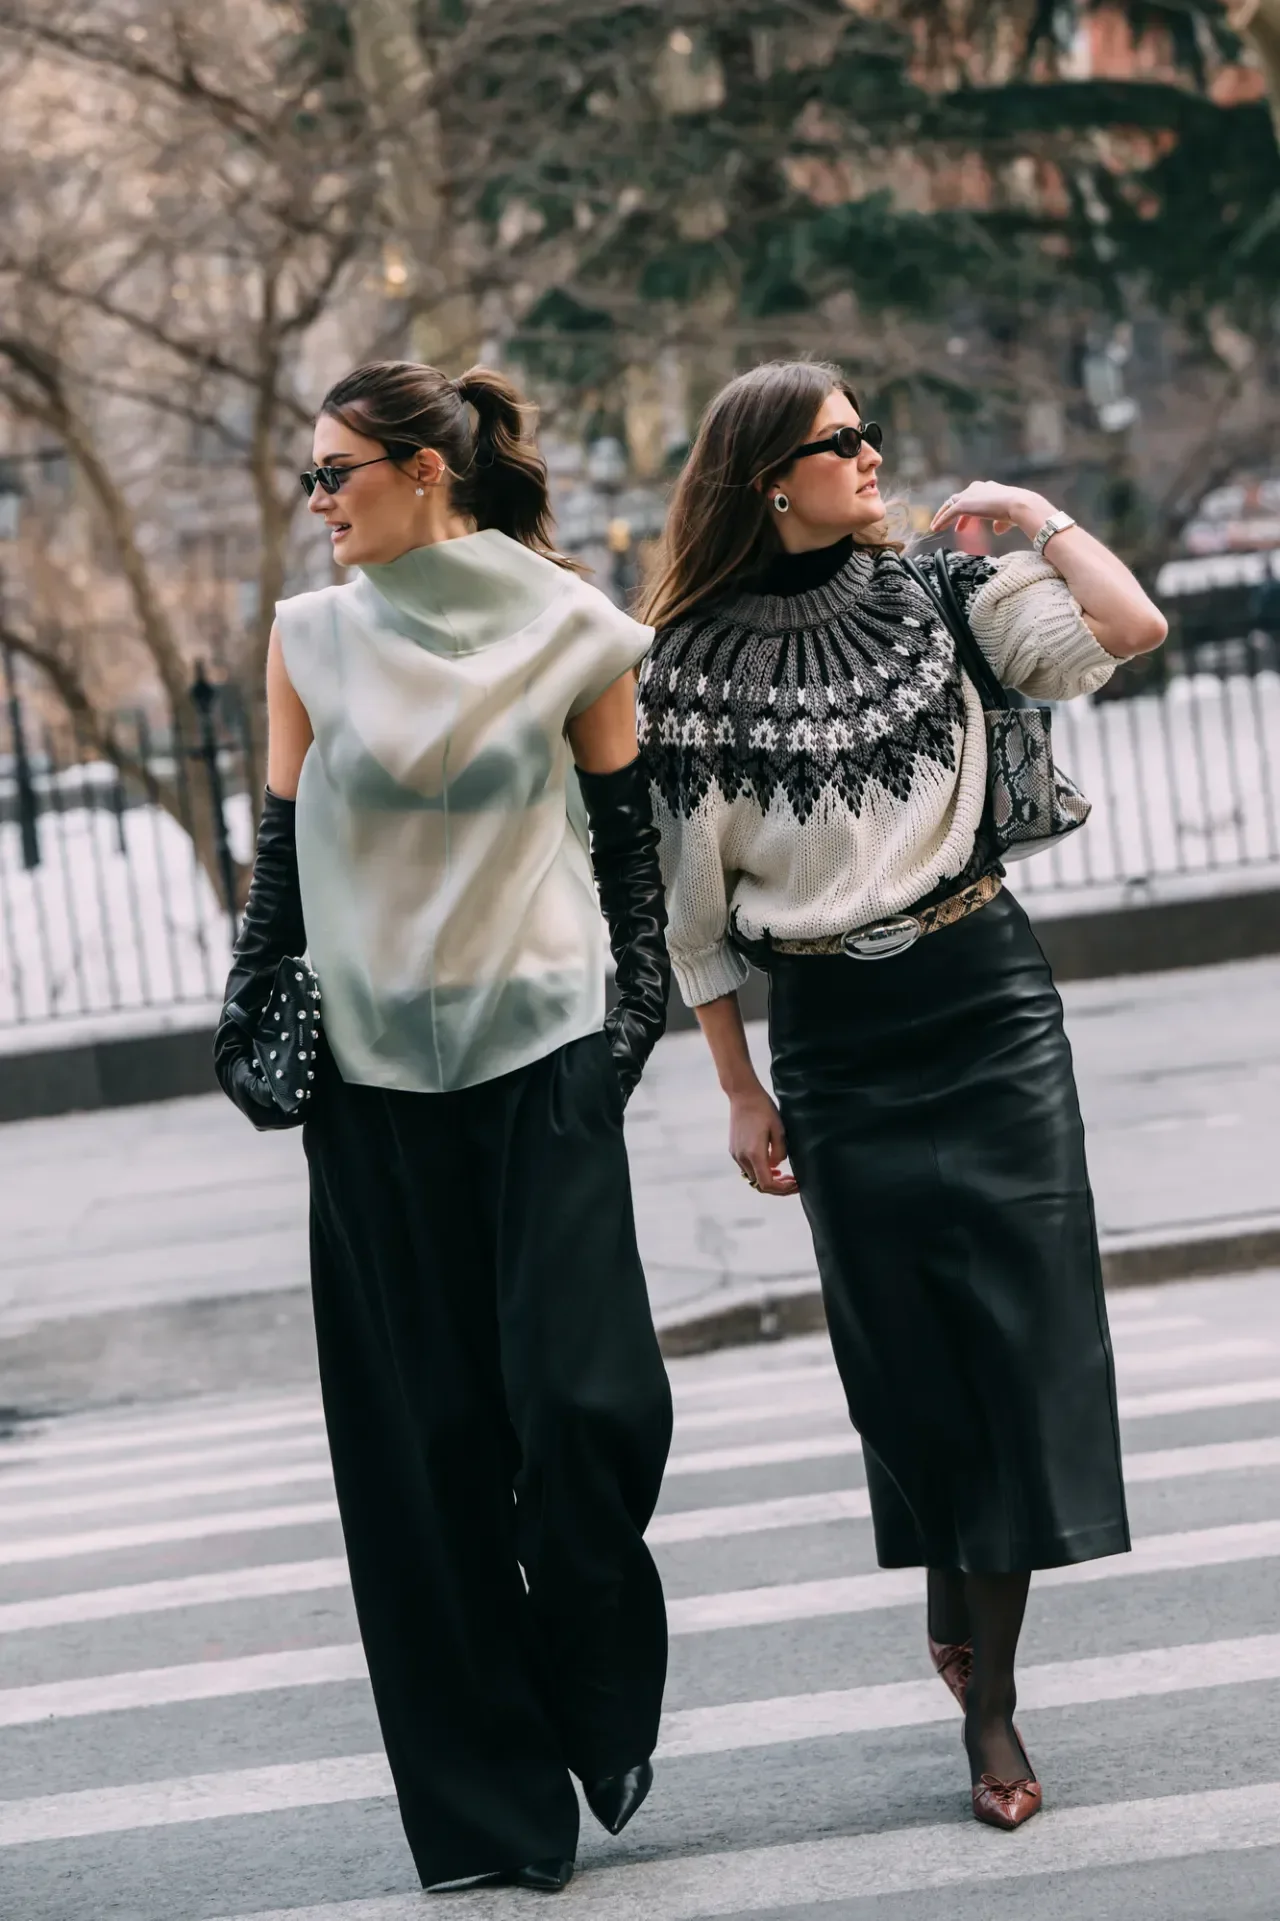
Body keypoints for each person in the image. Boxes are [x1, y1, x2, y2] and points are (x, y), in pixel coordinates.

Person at [637, 359, 1167, 1831]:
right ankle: (954, 1582)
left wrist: (1034, 515)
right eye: (840, 442)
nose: (871, 458)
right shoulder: (681, 667)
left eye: (872, 435)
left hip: (986, 1000)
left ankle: (989, 1702)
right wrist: (740, 1089)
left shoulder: (946, 595)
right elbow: (691, 913)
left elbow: (1129, 630)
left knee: (1021, 1342)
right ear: (769, 479)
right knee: (906, 1369)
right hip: (835, 1038)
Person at [213, 360, 673, 1892]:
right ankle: (492, 1804)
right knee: (429, 1451)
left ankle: (600, 1683)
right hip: (370, 1090)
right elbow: (279, 863)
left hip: (541, 1060)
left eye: (335, 472)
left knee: (584, 1410)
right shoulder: (307, 640)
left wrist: (628, 1031)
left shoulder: (574, 627)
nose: (319, 502)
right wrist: (251, 1003)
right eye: (313, 478)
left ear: (424, 471)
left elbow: (628, 855)